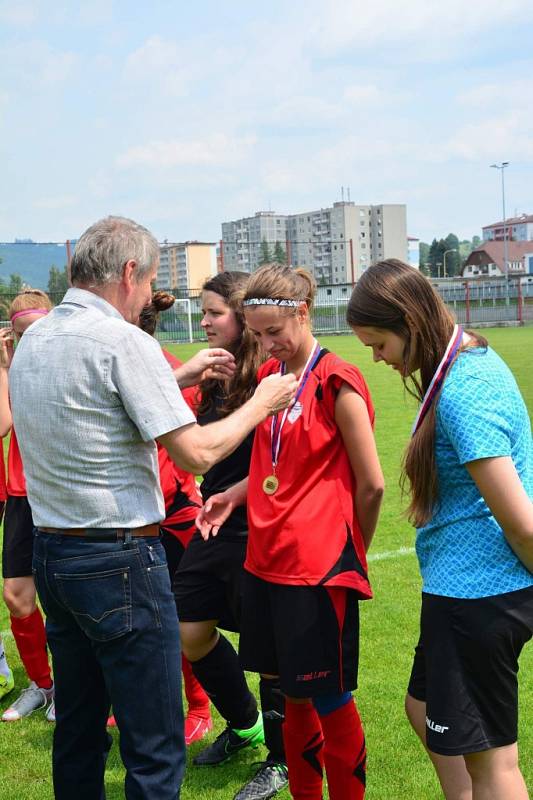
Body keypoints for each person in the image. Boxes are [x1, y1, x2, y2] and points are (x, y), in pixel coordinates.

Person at [8, 215, 297, 800]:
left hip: (52, 555)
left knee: (81, 730)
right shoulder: (124, 342)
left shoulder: (35, 338)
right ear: (130, 272)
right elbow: (196, 453)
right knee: (155, 744)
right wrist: (262, 403)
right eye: (148, 282)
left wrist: (180, 375)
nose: (146, 297)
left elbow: (93, 416)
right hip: (118, 560)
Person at [347, 259, 533, 800]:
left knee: (493, 762)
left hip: (480, 594)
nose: (377, 359)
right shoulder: (455, 369)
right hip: (458, 590)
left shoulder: (465, 389)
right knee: (423, 708)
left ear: (408, 322)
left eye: (379, 343)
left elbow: (519, 522)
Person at [197, 264, 384, 800]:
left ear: (303, 313)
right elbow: (275, 465)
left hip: (317, 571)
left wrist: (352, 552)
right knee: (290, 699)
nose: (266, 342)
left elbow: (370, 484)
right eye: (256, 333)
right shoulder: (269, 382)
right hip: (265, 562)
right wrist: (237, 494)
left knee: (330, 699)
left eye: (274, 331)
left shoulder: (338, 379)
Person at [175, 271, 289, 800]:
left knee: (269, 649)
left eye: (214, 311)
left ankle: (283, 760)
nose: (203, 321)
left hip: (262, 523)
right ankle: (246, 724)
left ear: (243, 318)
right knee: (189, 631)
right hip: (213, 519)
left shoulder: (273, 375)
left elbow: (284, 459)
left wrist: (240, 490)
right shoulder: (212, 374)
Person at [138, 290, 212, 745]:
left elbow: (198, 445)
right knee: (144, 618)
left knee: (180, 618)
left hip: (175, 514)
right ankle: (157, 706)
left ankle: (200, 708)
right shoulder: (119, 371)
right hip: (135, 517)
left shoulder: (171, 370)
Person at [0, 290, 55, 722]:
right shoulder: (11, 369)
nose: (26, 342)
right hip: (21, 496)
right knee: (17, 596)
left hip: (58, 493)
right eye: (18, 335)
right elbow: (3, 424)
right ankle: (43, 684)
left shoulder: (64, 363)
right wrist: (4, 367)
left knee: (67, 599)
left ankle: (76, 685)